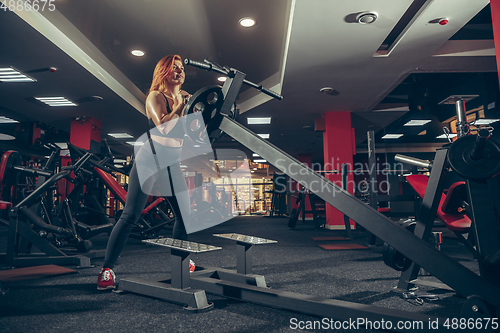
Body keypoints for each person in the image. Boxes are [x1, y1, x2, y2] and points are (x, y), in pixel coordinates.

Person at [97, 55, 193, 290]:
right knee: (131, 215)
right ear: (164, 72)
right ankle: (106, 270)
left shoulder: (186, 99)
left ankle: (181, 262)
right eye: (174, 68)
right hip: (149, 160)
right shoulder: (155, 96)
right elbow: (163, 126)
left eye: (182, 68)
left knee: (185, 217)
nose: (179, 72)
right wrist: (180, 107)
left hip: (171, 163)